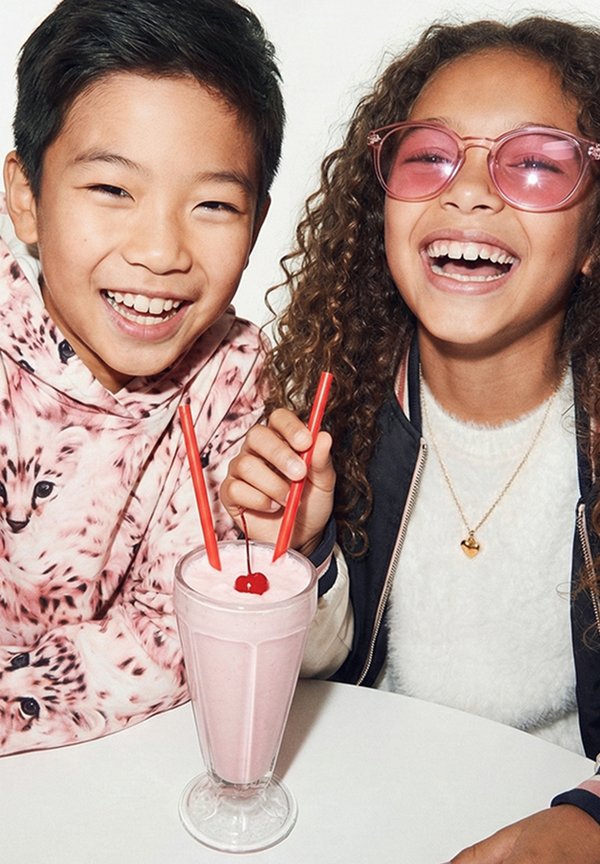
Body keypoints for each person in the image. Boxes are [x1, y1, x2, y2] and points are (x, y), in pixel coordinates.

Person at [221, 15, 600, 863]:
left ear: (593, 242)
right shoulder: (339, 409)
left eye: (536, 163)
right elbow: (314, 680)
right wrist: (297, 552)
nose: (469, 190)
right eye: (430, 155)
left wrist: (588, 818)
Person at [0, 0, 292, 756]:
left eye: (214, 204)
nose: (161, 251)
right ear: (26, 198)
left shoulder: (233, 376)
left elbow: (183, 632)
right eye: (111, 190)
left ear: (256, 226)